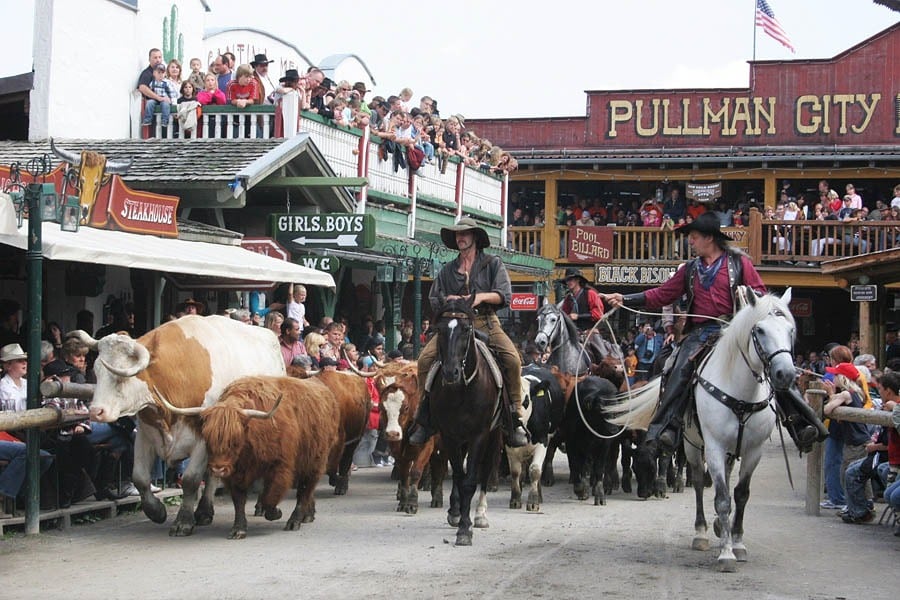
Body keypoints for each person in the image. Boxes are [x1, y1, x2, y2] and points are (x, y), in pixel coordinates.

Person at [602, 212, 828, 463]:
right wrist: (626, 299)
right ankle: (666, 429)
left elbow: (762, 296)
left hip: (735, 329)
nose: (690, 242)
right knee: (677, 369)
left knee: (775, 365)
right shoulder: (689, 269)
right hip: (700, 333)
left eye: (694, 237)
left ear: (709, 238)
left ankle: (799, 423)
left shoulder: (740, 264)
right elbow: (663, 294)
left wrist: (749, 294)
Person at [409, 217, 528, 447]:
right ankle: (425, 415)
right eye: (457, 235)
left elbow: (505, 295)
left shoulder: (493, 264)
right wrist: (450, 302)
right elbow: (434, 298)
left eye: (464, 234)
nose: (460, 237)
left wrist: (480, 297)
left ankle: (514, 415)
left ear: (474, 237)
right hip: (454, 323)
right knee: (424, 360)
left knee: (513, 360)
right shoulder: (448, 269)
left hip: (485, 320)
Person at [557, 266, 605, 334]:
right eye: (567, 280)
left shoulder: (590, 293)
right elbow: (564, 313)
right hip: (573, 333)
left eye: (571, 279)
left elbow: (598, 314)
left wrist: (578, 316)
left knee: (599, 345)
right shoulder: (568, 298)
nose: (568, 282)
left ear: (577, 280)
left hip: (590, 332)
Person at [141, 63, 176, 129]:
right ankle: (147, 119)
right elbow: (151, 91)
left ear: (165, 73)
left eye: (162, 73)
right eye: (158, 73)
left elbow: (172, 93)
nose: (160, 75)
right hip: (155, 98)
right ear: (154, 73)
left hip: (164, 98)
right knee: (149, 103)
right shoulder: (152, 82)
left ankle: (165, 120)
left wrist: (172, 102)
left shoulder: (167, 82)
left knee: (165, 105)